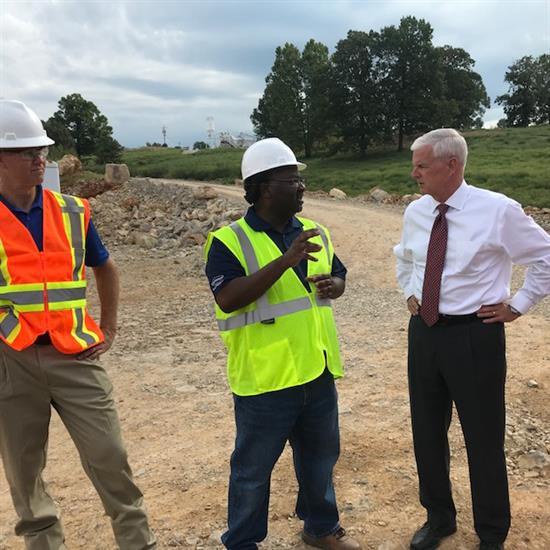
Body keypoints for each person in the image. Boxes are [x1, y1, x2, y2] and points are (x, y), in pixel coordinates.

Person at [0, 99, 156, 549]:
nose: (39, 158)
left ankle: (138, 542)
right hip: (13, 359)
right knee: (25, 473)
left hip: (76, 353)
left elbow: (105, 267)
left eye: (41, 150)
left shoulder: (72, 211)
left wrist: (109, 328)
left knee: (110, 456)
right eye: (27, 151)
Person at [394, 128, 550, 550]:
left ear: (452, 165)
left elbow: (545, 256)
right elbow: (404, 257)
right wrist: (409, 291)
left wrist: (518, 304)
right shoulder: (417, 212)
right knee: (427, 431)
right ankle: (439, 519)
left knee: (483, 437)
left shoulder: (497, 211)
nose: (414, 174)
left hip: (474, 336)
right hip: (424, 333)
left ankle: (492, 533)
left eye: (421, 166)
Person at [204, 137, 361, 550]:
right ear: (265, 188)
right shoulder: (228, 241)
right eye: (292, 180)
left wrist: (335, 284)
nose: (302, 187)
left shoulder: (315, 232)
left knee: (320, 459)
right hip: (266, 379)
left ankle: (320, 528)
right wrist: (285, 260)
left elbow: (340, 276)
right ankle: (242, 542)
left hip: (316, 369)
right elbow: (228, 298)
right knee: (253, 470)